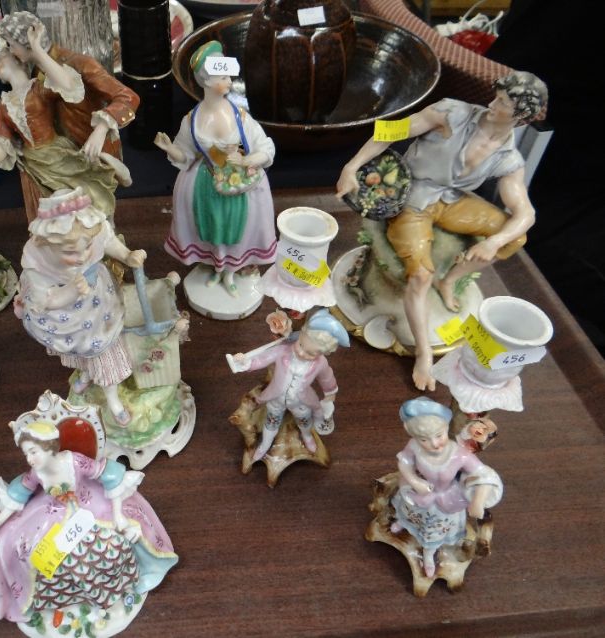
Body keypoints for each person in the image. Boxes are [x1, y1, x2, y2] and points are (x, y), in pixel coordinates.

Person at [336, 72, 548, 391]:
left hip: (452, 203)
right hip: (414, 199)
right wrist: (351, 167)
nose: (492, 104)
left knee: (515, 235)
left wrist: (495, 241)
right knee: (420, 276)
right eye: (497, 96)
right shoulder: (451, 113)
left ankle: (449, 281)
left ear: (521, 116)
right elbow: (391, 131)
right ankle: (423, 353)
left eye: (503, 103)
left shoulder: (509, 158)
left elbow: (525, 213)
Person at [0, 402, 177, 628]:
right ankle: (54, 602)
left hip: (87, 507)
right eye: (26, 454)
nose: (30, 459)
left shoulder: (74, 461)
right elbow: (18, 496)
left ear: (49, 448)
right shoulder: (36, 474)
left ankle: (108, 595)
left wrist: (118, 514)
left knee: (107, 548)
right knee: (24, 551)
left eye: (33, 452)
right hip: (50, 515)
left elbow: (106, 473)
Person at [0, 11, 139, 219]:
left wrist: (101, 128)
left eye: (11, 45)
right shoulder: (35, 74)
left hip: (89, 149)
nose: (11, 51)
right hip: (54, 158)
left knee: (97, 211)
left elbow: (127, 97)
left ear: (27, 43)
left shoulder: (78, 63)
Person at [154, 40, 276, 297]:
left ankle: (232, 270)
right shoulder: (192, 119)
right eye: (223, 77)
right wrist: (170, 149)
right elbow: (186, 154)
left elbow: (265, 146)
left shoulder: (240, 116)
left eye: (229, 76)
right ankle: (216, 267)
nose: (230, 82)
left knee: (236, 227)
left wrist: (247, 160)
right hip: (206, 183)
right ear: (206, 81)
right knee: (212, 226)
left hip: (240, 185)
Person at [15, 187, 146, 426]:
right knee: (84, 349)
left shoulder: (90, 232)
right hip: (67, 316)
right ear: (48, 244)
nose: (83, 257)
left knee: (104, 350)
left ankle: (113, 399)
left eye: (87, 247)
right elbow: (46, 301)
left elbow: (107, 241)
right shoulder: (37, 260)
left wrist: (127, 256)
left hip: (98, 306)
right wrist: (72, 290)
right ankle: (86, 373)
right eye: (70, 252)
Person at [390, 398, 503, 578]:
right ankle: (403, 523)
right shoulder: (414, 446)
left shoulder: (460, 455)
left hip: (444, 501)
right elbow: (404, 462)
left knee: (434, 532)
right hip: (418, 493)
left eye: (439, 435)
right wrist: (414, 481)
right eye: (424, 439)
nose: (434, 444)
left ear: (446, 428)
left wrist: (477, 501)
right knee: (408, 511)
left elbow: (484, 475)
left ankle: (428, 555)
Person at [231, 309, 349, 461]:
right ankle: (265, 443)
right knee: (271, 421)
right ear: (300, 335)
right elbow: (262, 359)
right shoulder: (283, 351)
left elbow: (327, 379)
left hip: (301, 401)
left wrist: (330, 396)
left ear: (322, 353)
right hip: (276, 397)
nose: (301, 353)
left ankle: (307, 436)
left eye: (310, 353)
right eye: (300, 344)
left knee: (304, 421)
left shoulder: (320, 364)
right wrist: (245, 362)